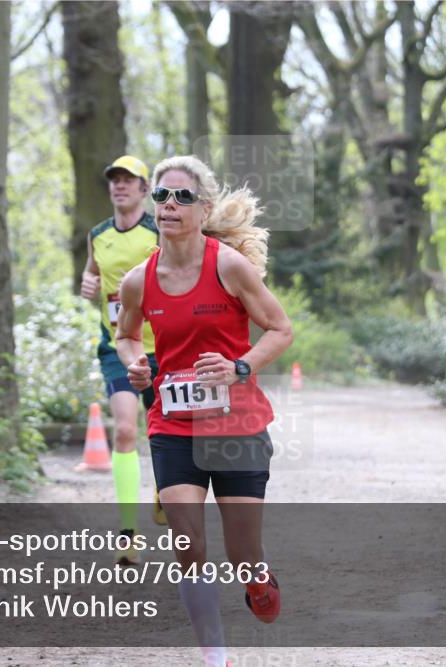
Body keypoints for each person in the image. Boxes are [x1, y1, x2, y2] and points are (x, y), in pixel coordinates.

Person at [115, 155, 293, 667]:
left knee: (242, 557)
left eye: (182, 197)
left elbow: (280, 330)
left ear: (204, 207)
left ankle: (258, 578)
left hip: (236, 424)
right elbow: (126, 336)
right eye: (162, 197)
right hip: (173, 426)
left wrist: (239, 367)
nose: (169, 205)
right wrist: (137, 365)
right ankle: (216, 656)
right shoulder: (137, 280)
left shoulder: (227, 267)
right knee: (188, 547)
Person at [80, 155, 166, 566]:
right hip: (118, 345)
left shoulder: (158, 232)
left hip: (163, 345)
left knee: (165, 432)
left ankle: (164, 491)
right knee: (127, 432)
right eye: (115, 180)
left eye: (129, 180)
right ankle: (128, 532)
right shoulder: (98, 235)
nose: (120, 186)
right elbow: (91, 277)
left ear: (144, 189)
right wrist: (87, 284)